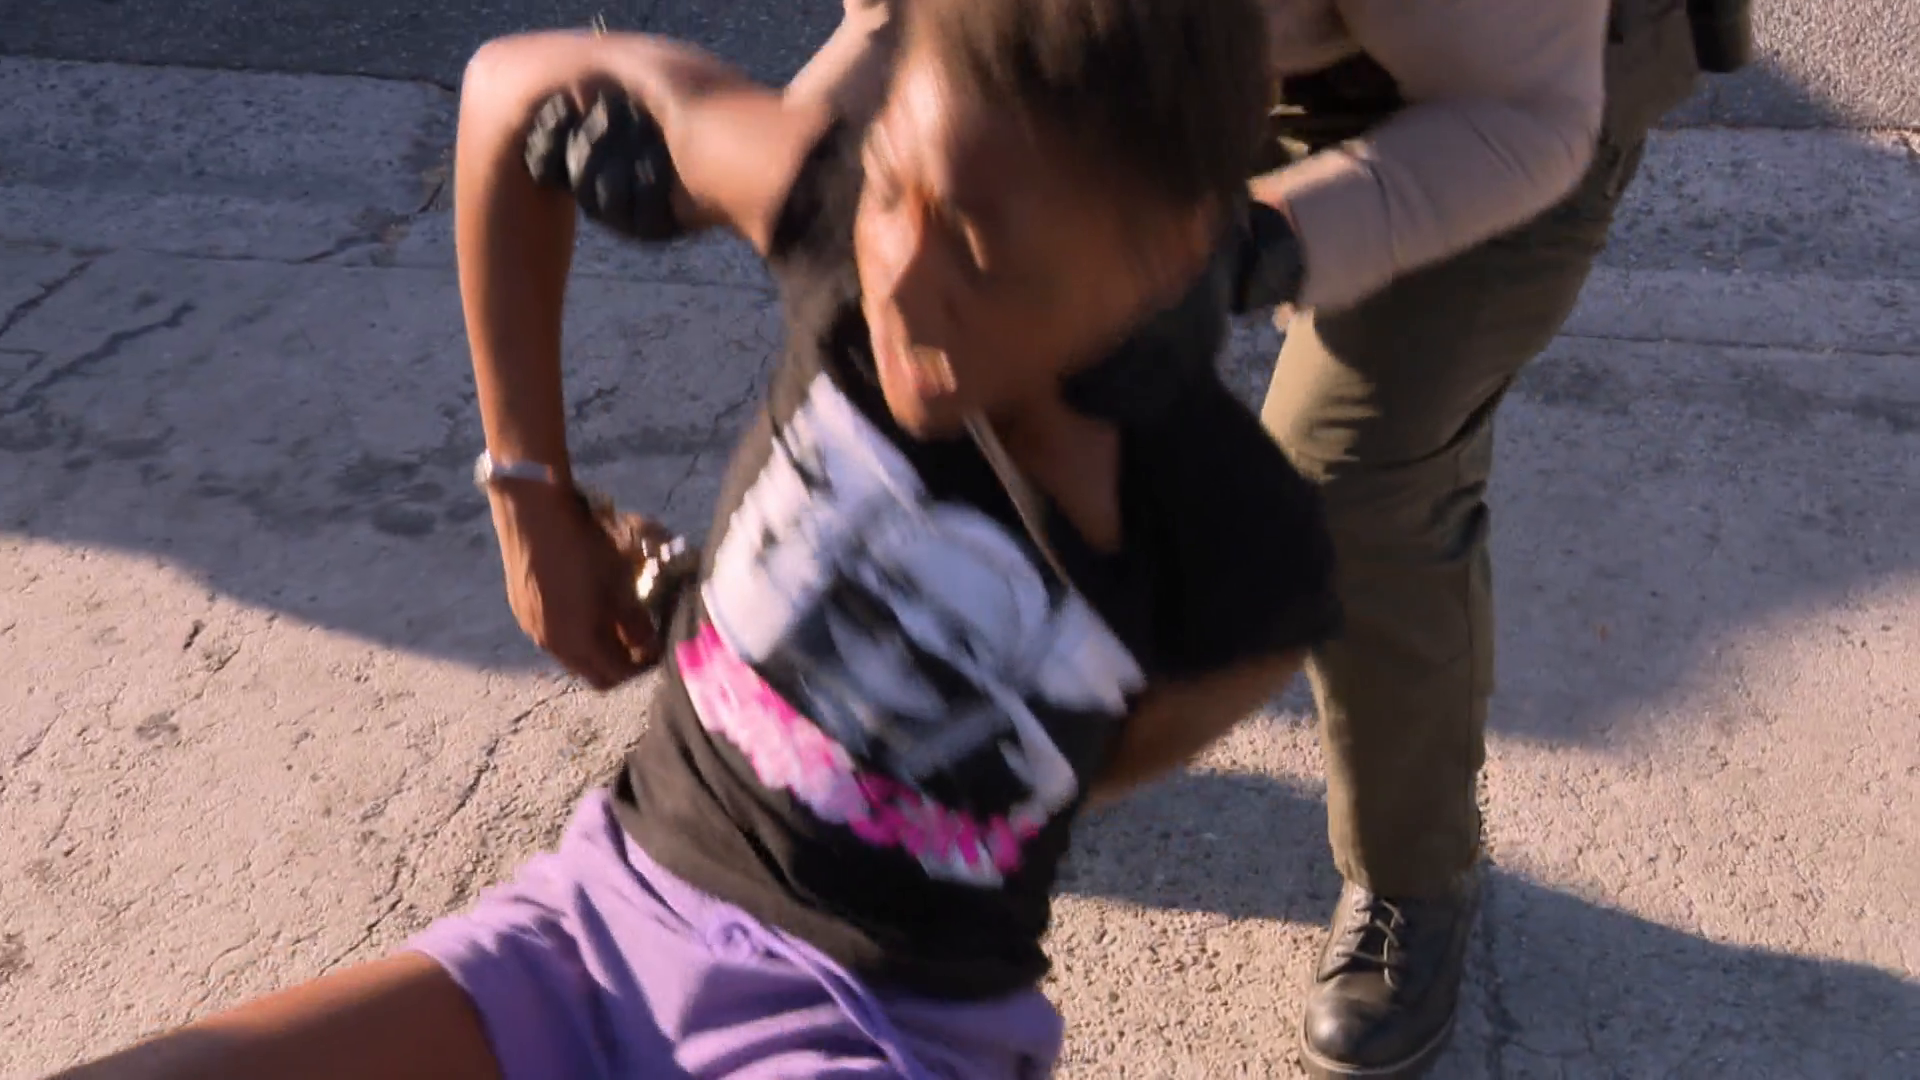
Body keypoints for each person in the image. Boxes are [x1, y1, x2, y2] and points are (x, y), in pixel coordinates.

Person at [53, 0, 1344, 1077]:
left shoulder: (1239, 556)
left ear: (1171, 253)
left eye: (979, 252)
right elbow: (513, 90)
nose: (900, 278)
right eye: (892, 189)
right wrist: (530, 498)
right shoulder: (838, 221)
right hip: (595, 926)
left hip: (883, 1026)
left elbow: (1107, 756)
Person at [790, 1, 1705, 1078]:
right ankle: (939, 771)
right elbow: (909, 25)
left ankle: (1414, 877)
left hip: (1505, 92)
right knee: (973, 322)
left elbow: (1526, 118)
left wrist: (1264, 243)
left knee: (1352, 479)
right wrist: (758, 149)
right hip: (1223, 56)